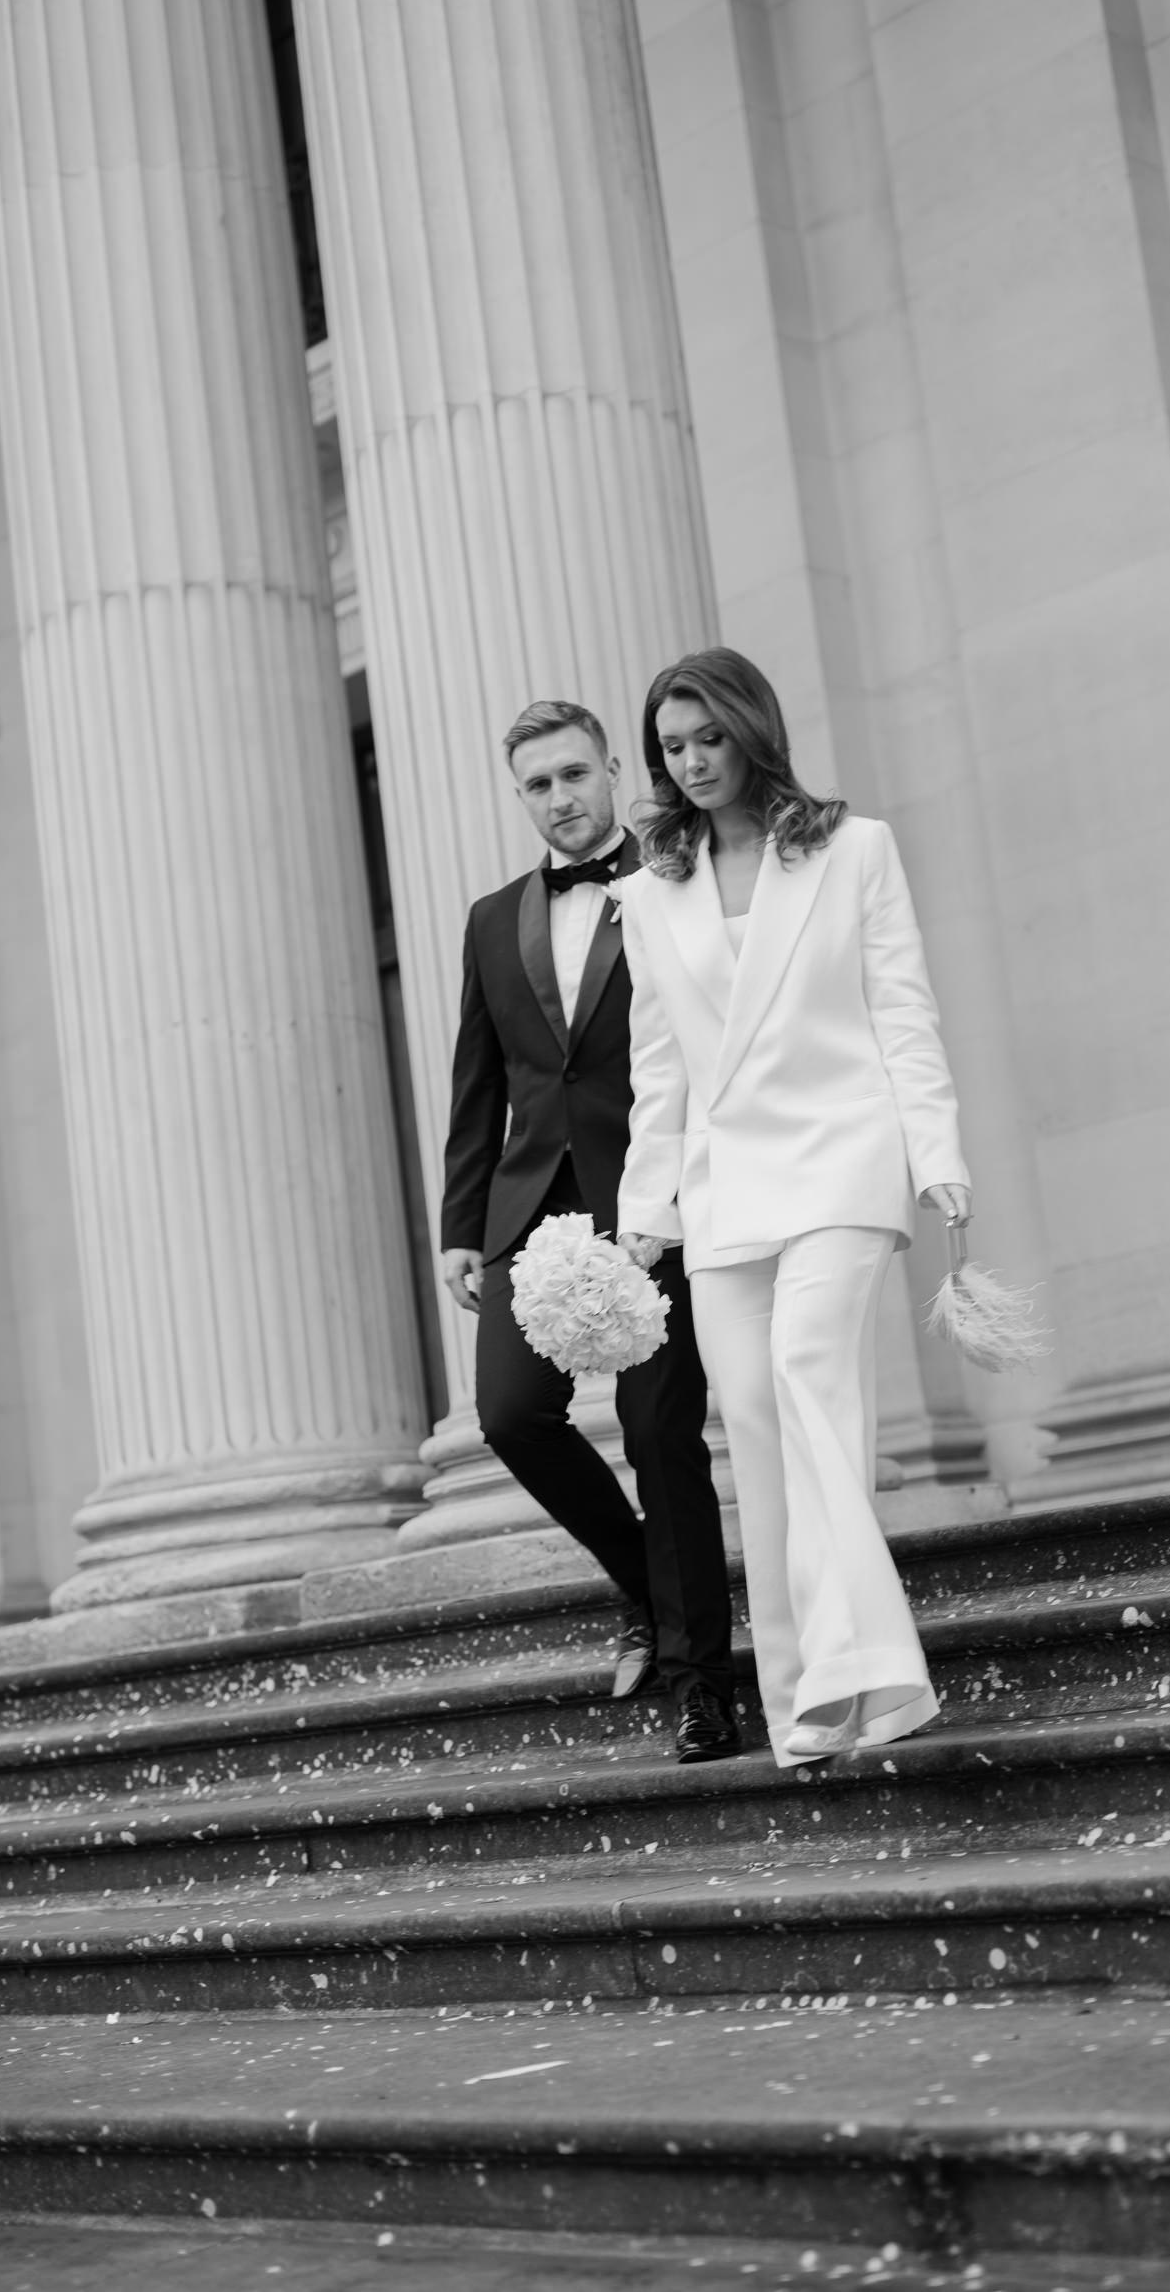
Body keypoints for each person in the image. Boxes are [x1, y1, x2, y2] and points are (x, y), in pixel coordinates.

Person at [615, 650, 971, 1766]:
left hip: (842, 1158)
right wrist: (644, 1212)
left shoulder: (850, 850)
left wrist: (938, 1156)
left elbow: (901, 1008)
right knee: (756, 1425)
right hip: (727, 1190)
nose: (689, 762)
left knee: (808, 1377)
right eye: (671, 748)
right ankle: (801, 1702)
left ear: (747, 729)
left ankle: (866, 1671)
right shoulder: (648, 889)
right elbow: (659, 1067)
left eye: (704, 738)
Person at [440, 699, 739, 1763]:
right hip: (531, 1210)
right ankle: (649, 1582)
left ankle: (704, 1686)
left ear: (613, 771)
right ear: (518, 795)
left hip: (653, 1198)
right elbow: (479, 1084)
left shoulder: (674, 885)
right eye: (537, 785)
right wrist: (461, 1225)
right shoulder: (490, 919)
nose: (559, 800)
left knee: (662, 1440)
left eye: (574, 775)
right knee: (512, 1416)